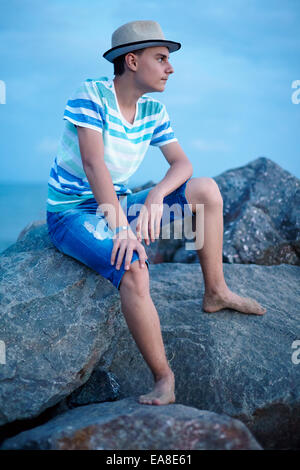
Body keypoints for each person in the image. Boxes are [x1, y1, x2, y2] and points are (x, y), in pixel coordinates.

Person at [46, 20, 267, 406]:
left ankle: (215, 291)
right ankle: (164, 379)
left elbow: (182, 164)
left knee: (206, 190)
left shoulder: (153, 110)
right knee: (133, 263)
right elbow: (93, 164)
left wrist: (155, 198)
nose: (171, 68)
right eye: (161, 58)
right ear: (131, 61)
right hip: (73, 213)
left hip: (120, 200)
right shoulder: (92, 94)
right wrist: (121, 229)